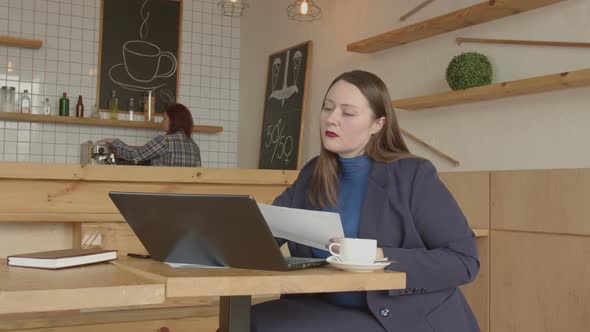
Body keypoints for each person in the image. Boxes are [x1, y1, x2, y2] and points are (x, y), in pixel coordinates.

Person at [251, 70, 480, 332]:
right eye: (327, 108)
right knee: (247, 321)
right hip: (326, 308)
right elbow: (268, 232)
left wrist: (379, 256)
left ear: (377, 125)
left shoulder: (413, 175)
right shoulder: (312, 173)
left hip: (397, 317)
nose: (331, 119)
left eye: (347, 113)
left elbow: (464, 261)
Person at [99, 103, 201, 167]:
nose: (162, 122)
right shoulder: (195, 147)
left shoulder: (165, 141)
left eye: (165, 118)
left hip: (162, 195)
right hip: (185, 198)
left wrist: (114, 142)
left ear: (174, 120)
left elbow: (135, 155)